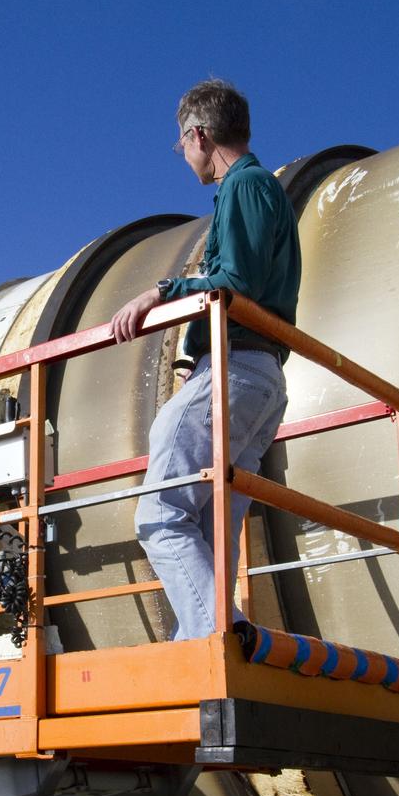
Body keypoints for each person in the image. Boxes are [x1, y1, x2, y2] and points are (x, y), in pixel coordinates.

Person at [110, 79, 300, 641]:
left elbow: (234, 282)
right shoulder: (267, 191)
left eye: (181, 144)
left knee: (160, 516)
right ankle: (207, 654)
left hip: (233, 366)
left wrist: (160, 292)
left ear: (199, 134)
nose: (184, 155)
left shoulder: (244, 187)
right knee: (214, 532)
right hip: (265, 379)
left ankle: (221, 640)